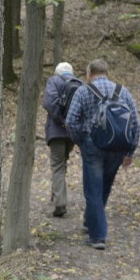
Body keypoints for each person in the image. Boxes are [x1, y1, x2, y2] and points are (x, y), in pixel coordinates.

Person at [66, 59, 140, 250]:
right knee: (104, 187)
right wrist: (130, 151)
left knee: (93, 189)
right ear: (107, 73)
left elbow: (71, 121)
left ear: (89, 73)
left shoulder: (84, 91)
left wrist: (81, 141)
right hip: (118, 147)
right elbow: (135, 123)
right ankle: (91, 220)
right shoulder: (123, 91)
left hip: (93, 147)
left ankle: (98, 236)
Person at [43, 62, 81, 218]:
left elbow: (49, 103)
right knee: (62, 162)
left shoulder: (54, 81)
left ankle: (60, 203)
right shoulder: (79, 84)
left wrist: (61, 121)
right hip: (72, 134)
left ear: (57, 72)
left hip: (56, 131)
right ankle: (56, 194)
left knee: (57, 165)